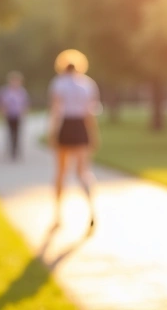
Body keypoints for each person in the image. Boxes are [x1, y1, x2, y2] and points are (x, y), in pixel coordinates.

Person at [48, 49, 101, 228]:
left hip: (65, 126)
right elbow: (90, 113)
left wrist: (53, 133)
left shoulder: (58, 83)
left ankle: (58, 214)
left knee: (61, 172)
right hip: (80, 128)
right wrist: (93, 134)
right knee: (83, 171)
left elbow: (56, 111)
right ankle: (92, 209)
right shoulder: (87, 84)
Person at [0, 71, 30, 161]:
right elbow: (0, 103)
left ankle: (16, 150)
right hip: (9, 115)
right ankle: (11, 150)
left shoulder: (22, 91)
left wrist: (24, 113)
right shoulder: (4, 91)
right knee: (10, 133)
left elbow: (25, 104)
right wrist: (1, 113)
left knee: (17, 133)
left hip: (18, 115)